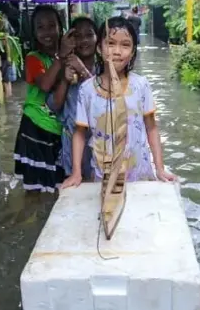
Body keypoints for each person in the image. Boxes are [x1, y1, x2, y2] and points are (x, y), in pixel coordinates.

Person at [62, 17, 176, 188]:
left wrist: (160, 168)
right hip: (103, 175)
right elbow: (79, 133)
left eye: (125, 45)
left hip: (139, 173)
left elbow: (151, 127)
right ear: (99, 48)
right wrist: (76, 173)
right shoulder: (87, 90)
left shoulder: (140, 85)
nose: (117, 51)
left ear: (132, 52)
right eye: (110, 43)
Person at [13, 6, 74, 193]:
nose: (46, 32)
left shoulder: (71, 57)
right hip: (35, 129)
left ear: (60, 28)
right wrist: (61, 56)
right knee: (35, 188)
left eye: (51, 26)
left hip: (59, 129)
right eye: (40, 27)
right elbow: (45, 85)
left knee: (58, 184)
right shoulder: (33, 58)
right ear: (34, 32)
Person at [47, 16, 97, 180]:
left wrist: (82, 71)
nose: (84, 40)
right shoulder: (63, 67)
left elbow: (102, 101)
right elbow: (54, 106)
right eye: (77, 36)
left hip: (99, 143)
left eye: (89, 35)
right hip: (72, 144)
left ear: (98, 38)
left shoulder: (105, 68)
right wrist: (65, 80)